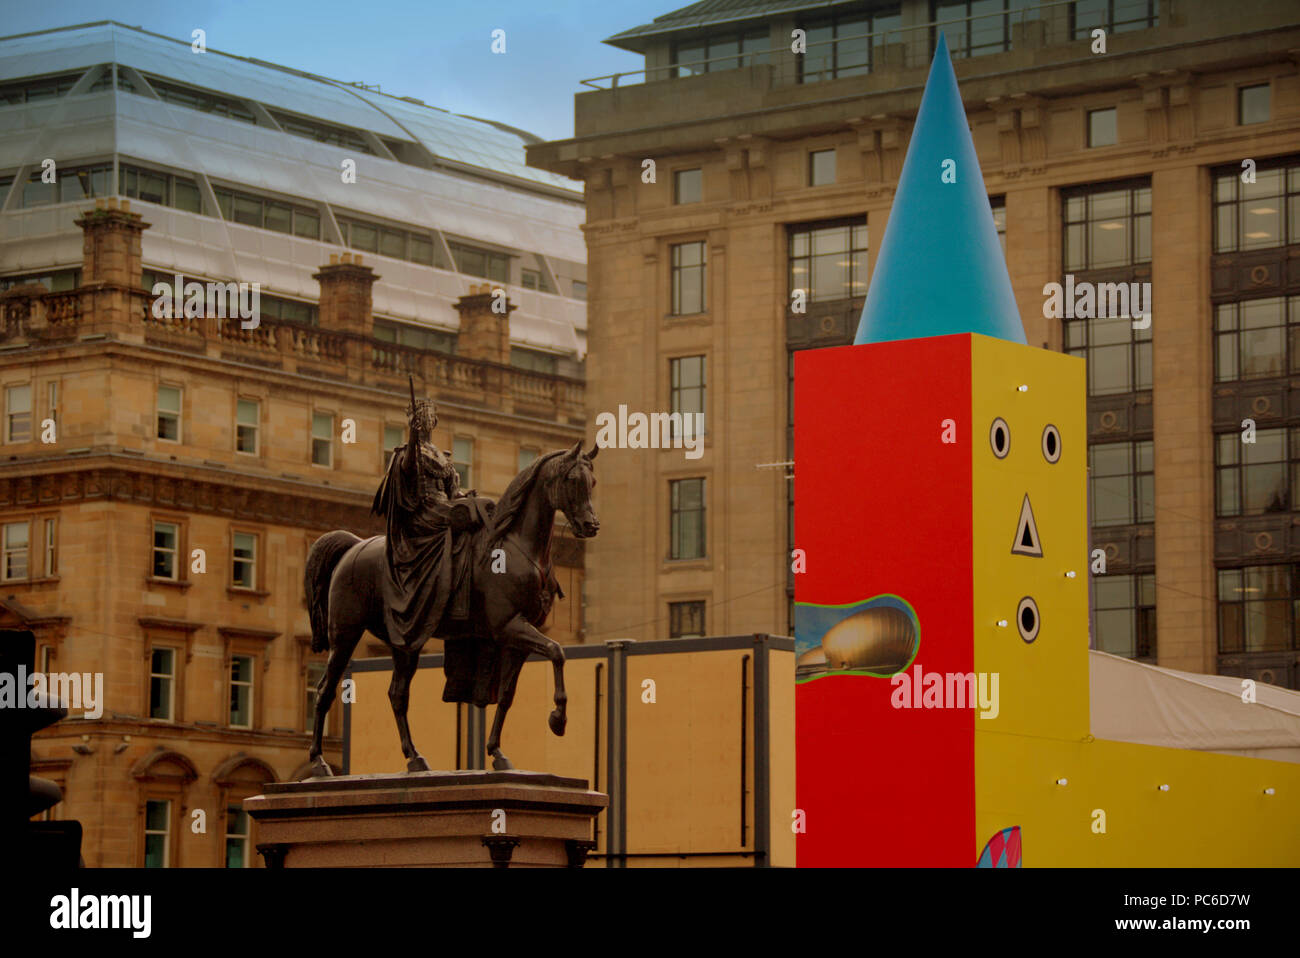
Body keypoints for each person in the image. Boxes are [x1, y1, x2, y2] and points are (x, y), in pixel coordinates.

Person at [370, 384, 491, 648]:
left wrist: (465, 496)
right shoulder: (408, 453)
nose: (426, 420)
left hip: (443, 505)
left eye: (429, 416)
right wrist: (412, 438)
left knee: (483, 509)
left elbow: (452, 491)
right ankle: (455, 594)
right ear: (414, 421)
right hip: (423, 512)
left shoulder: (441, 455)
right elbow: (408, 468)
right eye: (421, 416)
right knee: (467, 519)